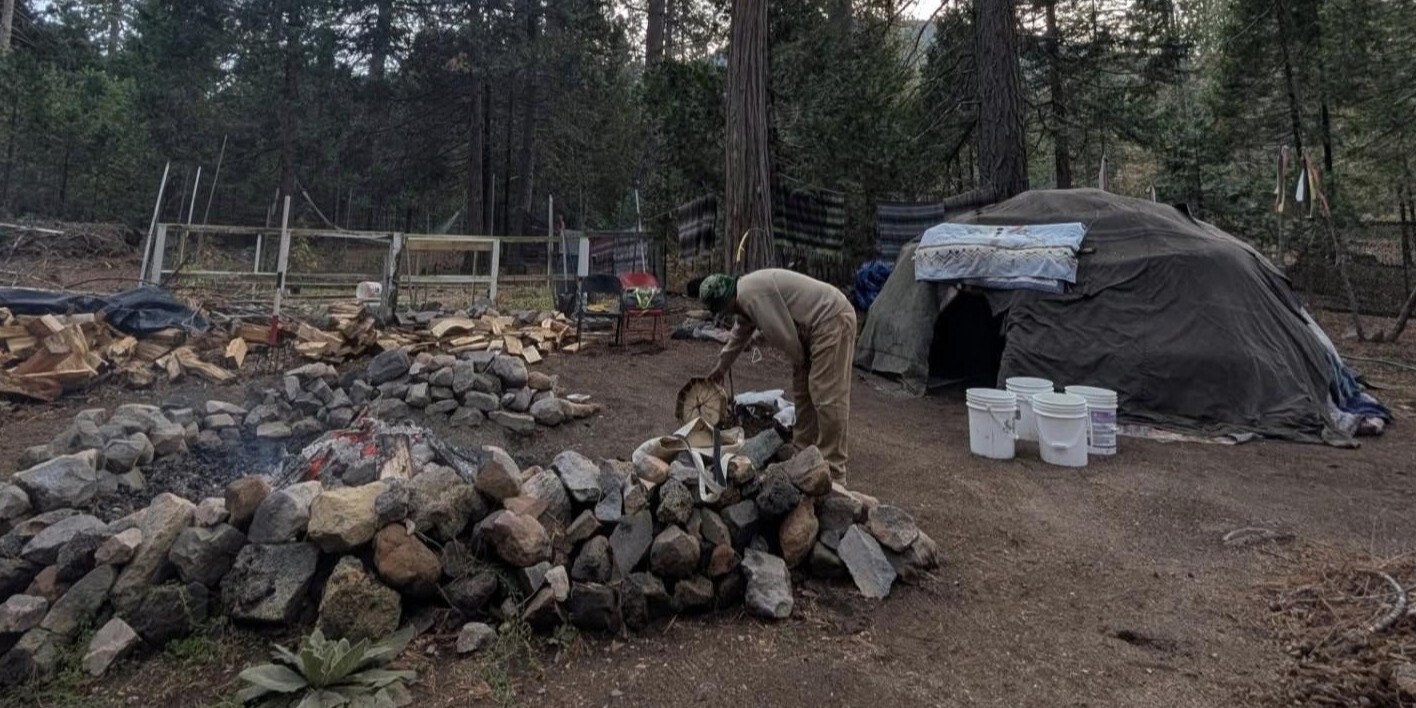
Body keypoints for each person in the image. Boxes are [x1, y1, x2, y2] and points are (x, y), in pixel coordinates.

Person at [699, 269, 857, 481]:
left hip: (830, 318)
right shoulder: (744, 297)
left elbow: (781, 334)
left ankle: (834, 471)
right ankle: (802, 456)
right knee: (802, 394)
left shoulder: (750, 296)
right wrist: (720, 368)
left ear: (726, 303)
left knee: (827, 396)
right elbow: (739, 335)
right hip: (809, 328)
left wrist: (801, 361)